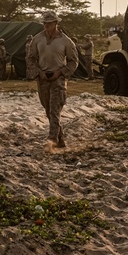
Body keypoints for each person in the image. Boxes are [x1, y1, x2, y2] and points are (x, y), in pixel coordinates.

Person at [26, 11, 79, 151]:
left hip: (58, 79)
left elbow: (74, 61)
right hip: (43, 78)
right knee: (48, 109)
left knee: (55, 109)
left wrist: (61, 72)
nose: (47, 26)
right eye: (45, 23)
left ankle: (52, 140)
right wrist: (38, 72)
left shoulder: (66, 41)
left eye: (49, 23)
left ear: (56, 23)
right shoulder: (37, 39)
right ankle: (60, 138)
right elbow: (30, 58)